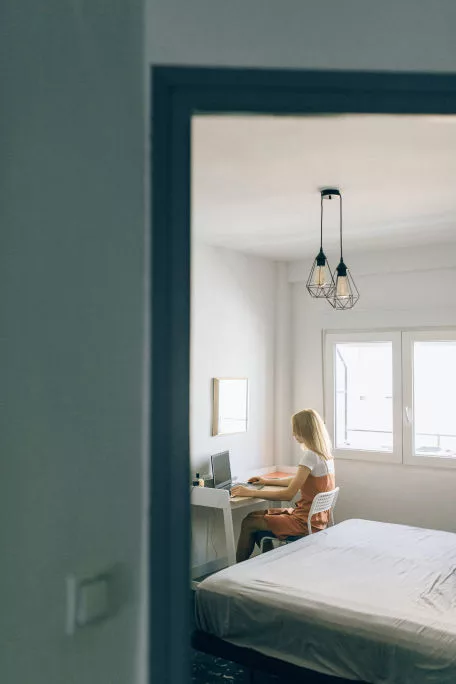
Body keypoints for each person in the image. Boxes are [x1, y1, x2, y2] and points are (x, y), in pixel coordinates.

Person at [231, 408, 335, 563]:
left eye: (295, 430)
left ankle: (235, 571)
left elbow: (288, 494)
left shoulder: (310, 456)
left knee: (249, 522)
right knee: (253, 516)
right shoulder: (325, 455)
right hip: (317, 521)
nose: (293, 435)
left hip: (303, 523)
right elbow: (297, 481)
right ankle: (268, 566)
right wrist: (266, 481)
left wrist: (249, 492)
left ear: (303, 431)